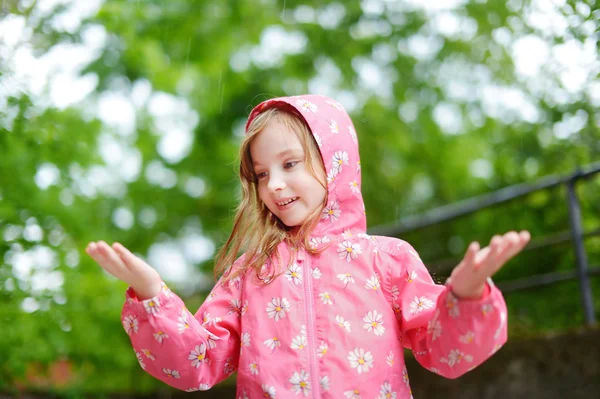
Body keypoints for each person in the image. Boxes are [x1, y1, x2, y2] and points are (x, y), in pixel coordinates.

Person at [86, 94, 530, 399]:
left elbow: (446, 352)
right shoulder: (250, 272)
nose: (274, 185)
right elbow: (197, 363)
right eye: (261, 174)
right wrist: (152, 297)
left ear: (334, 163)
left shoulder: (386, 260)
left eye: (290, 164)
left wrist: (467, 297)